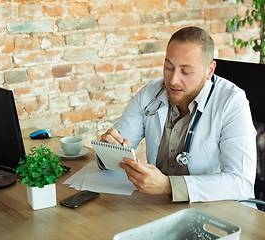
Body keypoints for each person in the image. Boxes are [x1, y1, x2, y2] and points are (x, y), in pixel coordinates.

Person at [98, 26, 257, 203]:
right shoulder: (150, 94)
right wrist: (107, 150)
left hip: (217, 208)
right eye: (168, 67)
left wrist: (168, 185)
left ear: (209, 71)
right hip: (160, 205)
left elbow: (241, 182)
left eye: (186, 72)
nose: (173, 80)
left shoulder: (232, 102)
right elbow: (120, 149)